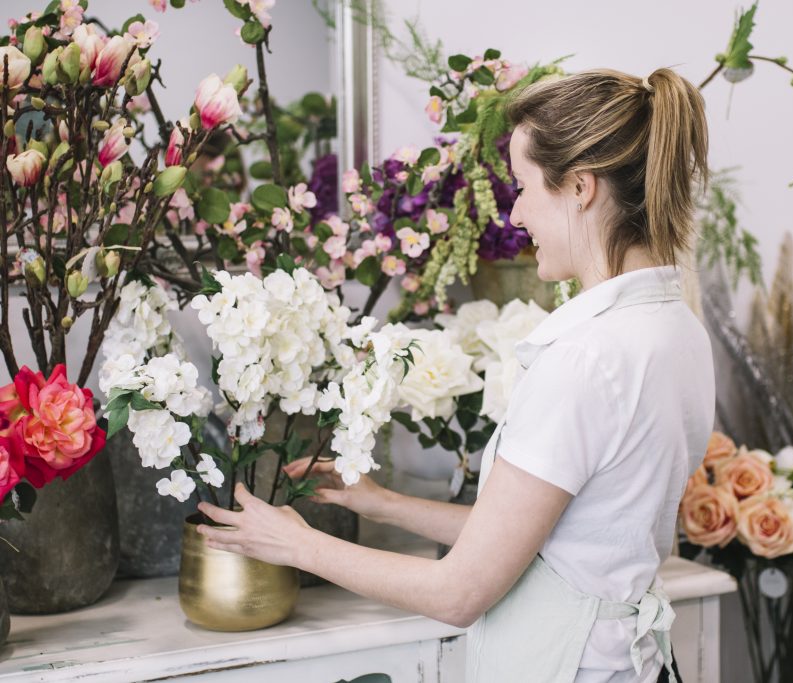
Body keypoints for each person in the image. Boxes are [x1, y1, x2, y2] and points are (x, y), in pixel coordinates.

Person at [197, 66, 715, 683]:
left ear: (580, 187)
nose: (516, 213)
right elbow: (547, 540)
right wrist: (381, 504)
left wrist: (297, 545)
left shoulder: (585, 359)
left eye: (524, 187)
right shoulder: (675, 326)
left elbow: (459, 592)